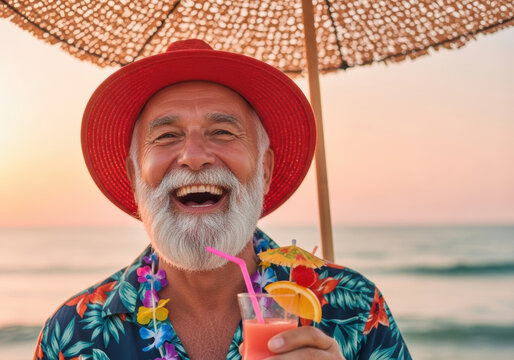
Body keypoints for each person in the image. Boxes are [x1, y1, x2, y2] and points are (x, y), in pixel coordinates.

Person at [34, 39, 411, 360]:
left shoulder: (356, 307)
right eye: (166, 136)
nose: (194, 156)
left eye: (222, 132)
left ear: (264, 169)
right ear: (135, 175)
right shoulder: (73, 335)